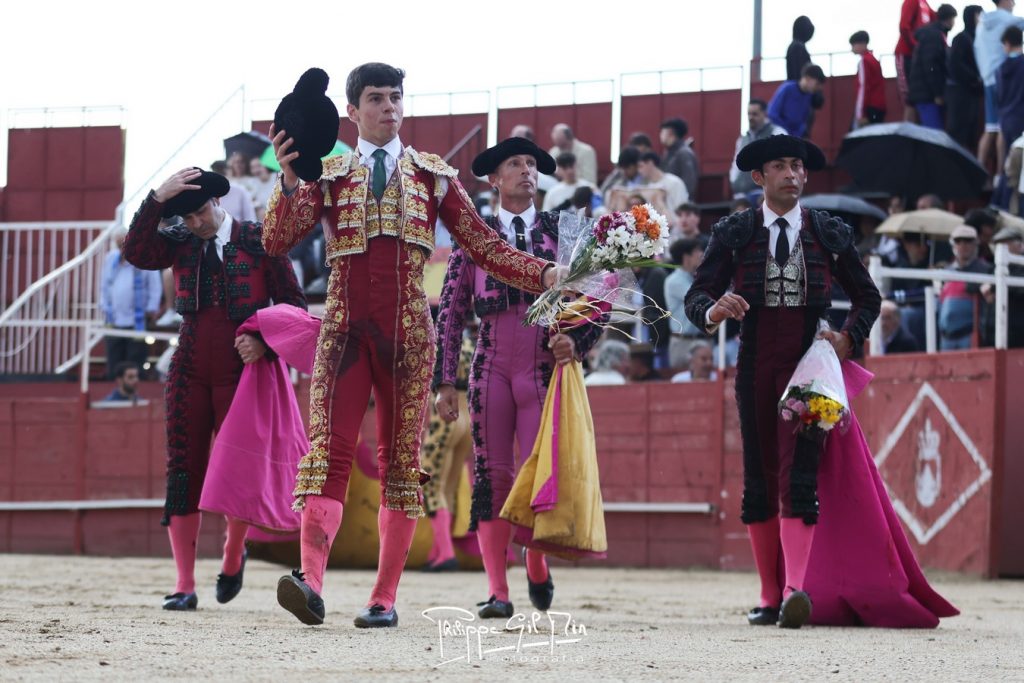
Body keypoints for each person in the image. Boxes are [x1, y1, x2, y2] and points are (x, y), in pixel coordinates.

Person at [262, 63, 560, 629]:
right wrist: (289, 178)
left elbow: (484, 245)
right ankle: (311, 584)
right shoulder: (325, 173)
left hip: (407, 338)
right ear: (352, 111)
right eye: (376, 98)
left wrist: (541, 272)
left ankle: (383, 599)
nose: (389, 107)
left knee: (402, 465)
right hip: (344, 334)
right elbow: (277, 239)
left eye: (395, 97)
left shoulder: (433, 175)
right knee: (327, 455)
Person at [685, 134, 881, 629]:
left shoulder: (829, 232)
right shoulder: (736, 231)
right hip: (754, 363)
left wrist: (847, 337)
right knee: (759, 476)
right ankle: (770, 595)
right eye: (781, 166)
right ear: (760, 177)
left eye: (798, 166)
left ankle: (794, 588)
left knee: (799, 473)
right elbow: (697, 294)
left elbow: (868, 298)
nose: (792, 174)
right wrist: (712, 309)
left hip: (810, 364)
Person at [433, 137, 605, 619]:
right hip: (490, 363)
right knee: (491, 476)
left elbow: (601, 294)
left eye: (532, 164)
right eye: (516, 164)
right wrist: (445, 381)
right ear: (494, 179)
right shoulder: (476, 234)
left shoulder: (563, 230)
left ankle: (535, 564)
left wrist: (580, 338)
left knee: (538, 471)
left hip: (544, 363)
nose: (527, 171)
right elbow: (449, 311)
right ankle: (497, 590)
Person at [123, 167, 306, 611]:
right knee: (183, 469)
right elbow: (136, 250)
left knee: (236, 468)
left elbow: (295, 306)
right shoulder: (179, 242)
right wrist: (156, 199)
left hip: (240, 372)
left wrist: (263, 340)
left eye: (200, 213)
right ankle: (184, 584)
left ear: (218, 204)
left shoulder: (259, 239)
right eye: (186, 217)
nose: (195, 223)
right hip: (188, 365)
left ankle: (231, 554)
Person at [100, 231, 162, 379]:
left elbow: (155, 285)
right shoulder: (110, 259)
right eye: (118, 244)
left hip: (137, 319)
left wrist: (151, 308)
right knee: (114, 361)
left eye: (123, 243)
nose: (121, 247)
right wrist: (103, 305)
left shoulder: (143, 258)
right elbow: (104, 285)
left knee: (135, 360)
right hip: (114, 318)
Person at [975, 0, 1024, 175]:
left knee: (991, 129)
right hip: (1010, 77)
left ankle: (980, 175)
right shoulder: (1008, 20)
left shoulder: (981, 25)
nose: (1015, 3)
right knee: (1003, 129)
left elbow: (977, 50)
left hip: (988, 79)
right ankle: (1002, 174)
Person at [938, 225, 993, 350]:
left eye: (968, 241)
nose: (963, 245)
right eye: (958, 241)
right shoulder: (946, 271)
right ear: (953, 245)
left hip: (970, 334)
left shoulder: (986, 269)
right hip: (946, 336)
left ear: (976, 244)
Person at [908, 4, 958, 130]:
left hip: (924, 92)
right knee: (934, 133)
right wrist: (937, 93)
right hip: (928, 94)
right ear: (950, 19)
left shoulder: (931, 34)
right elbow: (931, 65)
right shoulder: (935, 36)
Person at [946, 6, 985, 150]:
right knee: (959, 132)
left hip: (972, 94)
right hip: (960, 94)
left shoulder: (976, 39)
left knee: (972, 133)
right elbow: (955, 65)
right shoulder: (962, 38)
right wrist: (974, 78)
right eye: (979, 16)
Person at [664, 237, 706, 370]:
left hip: (700, 340)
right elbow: (702, 299)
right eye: (696, 252)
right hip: (684, 342)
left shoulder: (693, 277)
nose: (701, 255)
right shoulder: (675, 280)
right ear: (686, 257)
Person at [730, 100, 786, 198]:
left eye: (755, 114)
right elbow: (735, 164)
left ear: (764, 114)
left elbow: (783, 163)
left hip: (764, 195)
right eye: (749, 114)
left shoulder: (777, 133)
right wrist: (734, 181)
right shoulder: (742, 139)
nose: (751, 117)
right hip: (741, 196)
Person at [896, 0, 936, 121]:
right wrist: (916, 46)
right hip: (906, 54)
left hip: (920, 57)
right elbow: (904, 26)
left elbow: (936, 21)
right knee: (910, 98)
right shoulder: (911, 1)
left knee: (920, 96)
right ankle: (908, 136)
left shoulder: (925, 3)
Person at [767, 64, 826, 138]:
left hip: (795, 136)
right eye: (817, 84)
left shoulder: (809, 96)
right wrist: (786, 131)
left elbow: (802, 122)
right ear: (807, 78)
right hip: (779, 132)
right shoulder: (787, 88)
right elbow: (772, 114)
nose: (819, 88)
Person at [850, 31, 887, 128]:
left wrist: (860, 114)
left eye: (853, 45)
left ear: (862, 44)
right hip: (879, 107)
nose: (852, 48)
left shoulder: (864, 61)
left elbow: (863, 88)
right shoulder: (874, 60)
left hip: (869, 108)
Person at [659, 118, 700, 200]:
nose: (660, 135)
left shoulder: (684, 153)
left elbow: (689, 184)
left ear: (670, 133)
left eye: (662, 132)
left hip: (680, 205)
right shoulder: (669, 153)